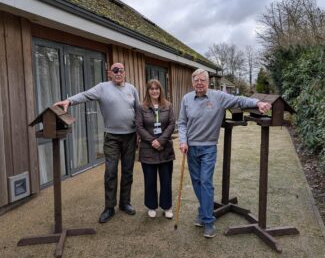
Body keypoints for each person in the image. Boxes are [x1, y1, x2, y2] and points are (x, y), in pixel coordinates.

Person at [178, 68, 271, 238]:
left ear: (208, 82)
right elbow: (182, 123)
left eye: (203, 80)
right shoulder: (186, 99)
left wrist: (257, 103)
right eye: (196, 80)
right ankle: (203, 211)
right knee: (197, 183)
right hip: (191, 148)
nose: (199, 83)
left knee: (206, 182)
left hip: (208, 148)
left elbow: (239, 100)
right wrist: (183, 141)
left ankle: (208, 220)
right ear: (192, 82)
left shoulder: (218, 97)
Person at [54, 62, 139, 223]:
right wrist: (69, 101)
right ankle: (109, 207)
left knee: (128, 171)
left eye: (121, 70)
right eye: (115, 70)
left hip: (130, 136)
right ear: (110, 73)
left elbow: (138, 110)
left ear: (125, 73)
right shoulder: (102, 88)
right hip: (112, 137)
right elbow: (85, 95)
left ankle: (125, 203)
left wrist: (140, 132)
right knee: (111, 172)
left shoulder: (132, 89)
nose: (118, 73)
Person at [136, 79, 176, 219]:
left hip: (165, 149)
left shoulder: (168, 106)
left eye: (157, 88)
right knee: (150, 180)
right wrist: (152, 140)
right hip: (148, 149)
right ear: (148, 91)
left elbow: (171, 124)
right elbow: (139, 127)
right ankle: (151, 206)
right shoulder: (141, 107)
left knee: (166, 180)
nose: (154, 91)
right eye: (151, 89)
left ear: (160, 90)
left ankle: (167, 207)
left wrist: (161, 141)